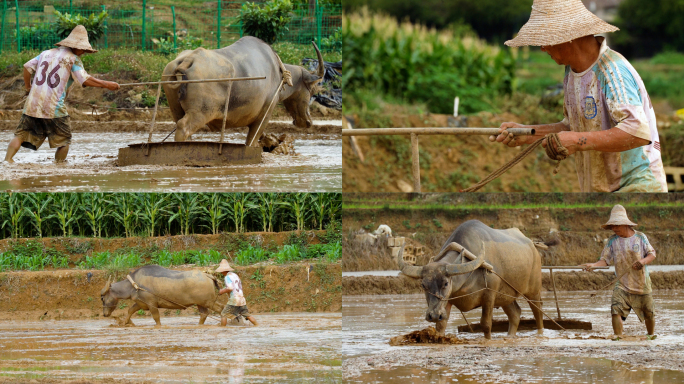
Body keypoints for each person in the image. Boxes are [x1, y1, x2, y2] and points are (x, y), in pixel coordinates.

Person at [491, 0, 667, 193]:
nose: (542, 48)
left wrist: (575, 141)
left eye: (545, 38)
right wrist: (527, 133)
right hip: (601, 193)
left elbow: (637, 133)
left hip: (637, 190)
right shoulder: (571, 73)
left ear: (569, 37)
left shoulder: (613, 71)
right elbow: (573, 127)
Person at [4, 25, 120, 164]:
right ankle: (58, 166)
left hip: (32, 104)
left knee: (20, 135)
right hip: (54, 106)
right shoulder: (72, 59)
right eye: (82, 49)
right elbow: (85, 79)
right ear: (76, 47)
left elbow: (27, 67)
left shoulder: (45, 53)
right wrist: (107, 84)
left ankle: (7, 161)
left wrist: (28, 86)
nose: (83, 52)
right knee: (64, 140)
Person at [582, 205, 656, 336]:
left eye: (617, 225)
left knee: (649, 314)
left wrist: (642, 261)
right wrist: (593, 265)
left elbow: (652, 254)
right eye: (612, 226)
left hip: (642, 284)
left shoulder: (640, 237)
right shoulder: (612, 241)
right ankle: (618, 338)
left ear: (626, 224)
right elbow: (605, 260)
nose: (614, 229)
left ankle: (651, 336)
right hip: (622, 284)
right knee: (615, 310)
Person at [216, 259, 258, 327]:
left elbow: (230, 288)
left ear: (223, 271)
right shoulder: (234, 275)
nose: (221, 273)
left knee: (223, 314)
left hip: (235, 299)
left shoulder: (227, 277)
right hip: (241, 299)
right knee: (247, 314)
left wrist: (221, 291)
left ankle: (222, 328)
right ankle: (257, 325)